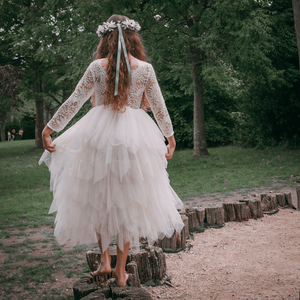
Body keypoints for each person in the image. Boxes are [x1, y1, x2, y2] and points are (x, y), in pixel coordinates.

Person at [39, 14, 184, 287]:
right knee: (127, 200)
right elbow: (160, 107)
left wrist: (49, 128)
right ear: (133, 38)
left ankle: (104, 260)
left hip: (98, 136)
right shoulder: (145, 68)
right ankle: (119, 269)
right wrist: (170, 138)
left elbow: (74, 102)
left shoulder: (97, 66)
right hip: (135, 139)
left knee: (98, 195)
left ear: (105, 38)